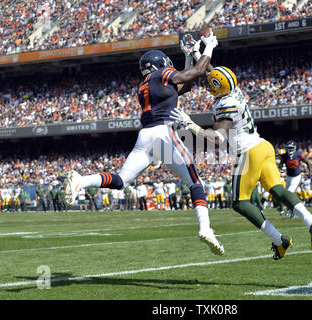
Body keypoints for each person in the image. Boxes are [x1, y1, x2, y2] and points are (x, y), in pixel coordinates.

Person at [65, 33, 224, 256]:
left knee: (121, 180)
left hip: (145, 137)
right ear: (160, 64)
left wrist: (188, 55)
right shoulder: (164, 74)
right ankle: (205, 228)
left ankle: (81, 181)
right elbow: (197, 73)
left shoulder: (145, 85)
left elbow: (184, 86)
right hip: (164, 134)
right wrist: (209, 49)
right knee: (196, 183)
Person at [170, 46, 312, 259]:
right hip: (264, 146)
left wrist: (191, 125)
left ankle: (280, 240)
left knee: (240, 202)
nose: (207, 84)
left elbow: (217, 139)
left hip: (248, 152)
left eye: (210, 84)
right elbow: (213, 74)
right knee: (277, 190)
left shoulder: (225, 104)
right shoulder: (233, 91)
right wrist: (197, 53)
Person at [279, 140, 312, 217]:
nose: (290, 149)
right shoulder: (284, 156)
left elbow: (307, 162)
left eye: (291, 148)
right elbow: (280, 165)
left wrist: (310, 172)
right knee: (290, 194)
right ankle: (294, 210)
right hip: (288, 177)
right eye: (289, 148)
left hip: (296, 177)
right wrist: (279, 170)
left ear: (294, 148)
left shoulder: (299, 154)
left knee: (289, 193)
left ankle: (290, 209)